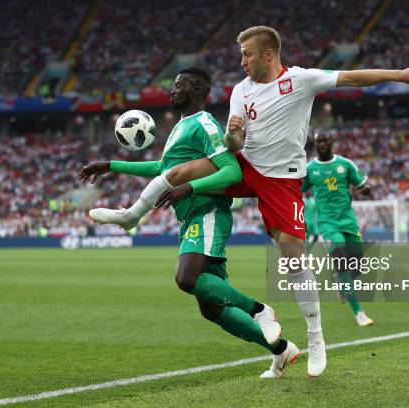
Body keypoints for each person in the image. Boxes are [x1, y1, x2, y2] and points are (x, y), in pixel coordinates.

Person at [89, 26, 409, 377]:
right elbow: (233, 145)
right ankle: (131, 216)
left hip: (281, 180)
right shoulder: (240, 91)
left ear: (268, 53)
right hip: (246, 168)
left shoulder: (300, 80)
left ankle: (316, 339)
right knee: (178, 171)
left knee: (293, 257)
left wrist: (399, 75)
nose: (241, 61)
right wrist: (235, 133)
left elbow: (353, 77)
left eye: (247, 54)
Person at [79, 68, 300, 379]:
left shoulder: (206, 124)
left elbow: (231, 172)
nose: (172, 90)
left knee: (186, 278)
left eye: (178, 85)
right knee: (211, 309)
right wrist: (111, 165)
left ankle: (259, 310)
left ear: (197, 89)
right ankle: (281, 351)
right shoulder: (183, 127)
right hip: (190, 218)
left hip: (207, 212)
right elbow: (163, 169)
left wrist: (189, 188)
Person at [302, 132, 374, 326]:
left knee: (357, 265)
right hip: (327, 224)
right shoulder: (310, 169)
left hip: (348, 221)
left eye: (325, 141)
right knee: (341, 261)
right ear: (315, 145)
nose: (322, 144)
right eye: (319, 142)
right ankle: (359, 313)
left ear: (332, 142)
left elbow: (362, 183)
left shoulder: (346, 164)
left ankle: (340, 281)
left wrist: (365, 189)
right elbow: (296, 190)